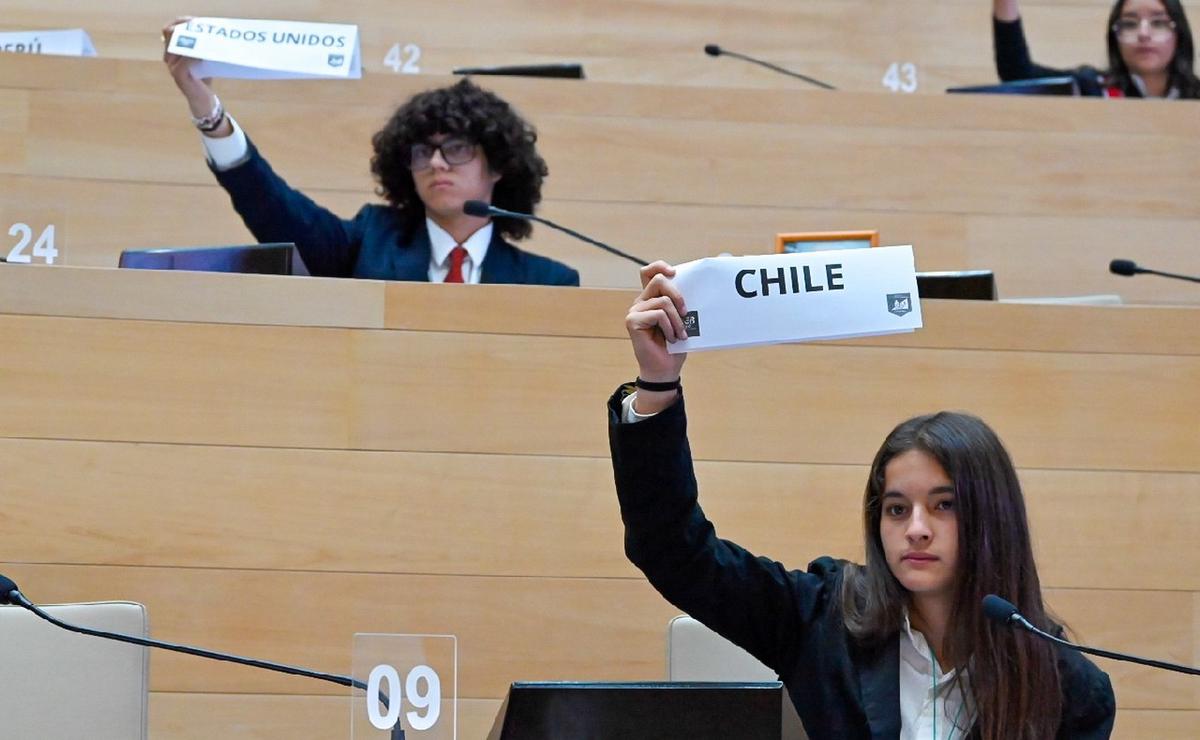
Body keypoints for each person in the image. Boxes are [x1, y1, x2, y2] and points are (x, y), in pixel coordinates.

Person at [608, 262, 1116, 739]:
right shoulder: (823, 620)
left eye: (944, 505)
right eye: (897, 509)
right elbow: (673, 550)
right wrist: (658, 384)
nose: (916, 528)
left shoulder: (1070, 689)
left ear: (993, 519)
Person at [161, 19, 579, 285]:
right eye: (422, 152)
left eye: (456, 149)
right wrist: (209, 113)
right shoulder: (369, 241)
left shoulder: (547, 283)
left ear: (499, 164)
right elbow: (274, 207)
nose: (436, 163)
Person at [993, 0, 1200, 98]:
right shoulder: (1092, 88)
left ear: (1179, 35)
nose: (1143, 34)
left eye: (1158, 23)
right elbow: (1017, 74)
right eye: (1129, 24)